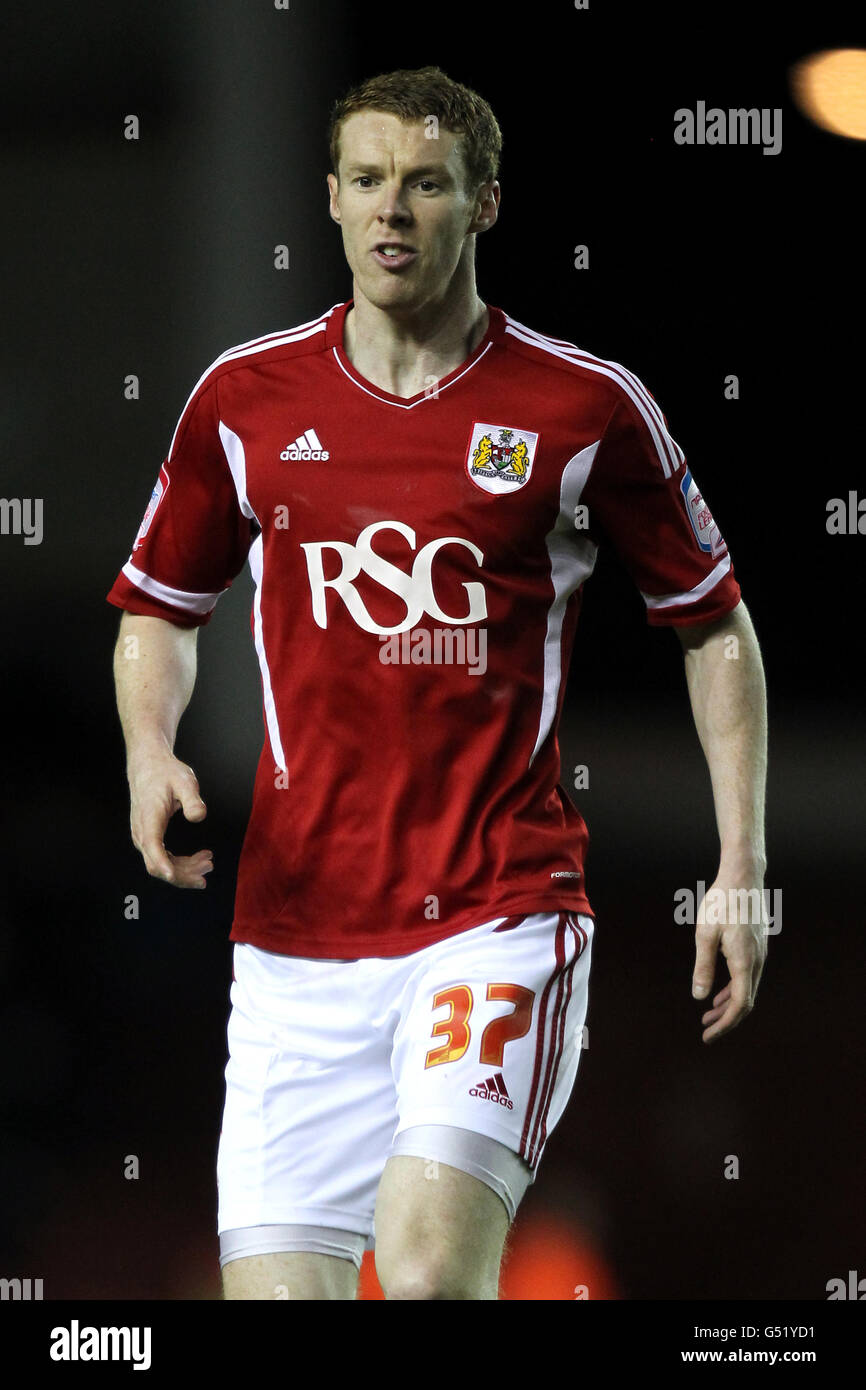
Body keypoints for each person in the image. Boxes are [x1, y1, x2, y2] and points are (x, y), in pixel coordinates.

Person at [108, 65, 768, 1301]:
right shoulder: (243, 402)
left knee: (420, 1279)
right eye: (366, 181)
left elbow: (712, 623)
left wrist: (740, 865)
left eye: (424, 183)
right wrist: (151, 749)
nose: (391, 210)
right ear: (331, 198)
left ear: (486, 205)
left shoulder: (582, 406)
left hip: (493, 912)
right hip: (295, 940)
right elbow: (158, 605)